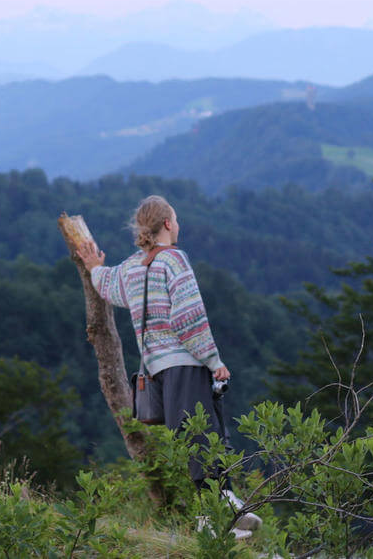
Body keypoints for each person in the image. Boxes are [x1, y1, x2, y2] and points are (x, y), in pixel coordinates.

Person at [76, 195, 260, 534]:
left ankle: (223, 516)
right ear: (168, 224)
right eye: (176, 220)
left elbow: (108, 286)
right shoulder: (174, 260)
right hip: (185, 364)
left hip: (157, 371)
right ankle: (218, 521)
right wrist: (214, 360)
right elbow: (189, 318)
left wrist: (93, 266)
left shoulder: (133, 266)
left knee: (194, 443)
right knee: (204, 442)